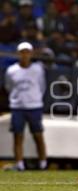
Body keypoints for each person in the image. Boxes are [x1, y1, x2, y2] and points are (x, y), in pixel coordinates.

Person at [4, 42, 47, 171]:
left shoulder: (38, 69)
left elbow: (42, 86)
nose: (25, 55)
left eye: (27, 52)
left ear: (31, 53)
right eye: (22, 52)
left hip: (35, 107)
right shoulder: (11, 70)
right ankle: (20, 164)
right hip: (17, 107)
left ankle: (43, 163)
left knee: (38, 135)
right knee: (18, 136)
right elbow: (9, 87)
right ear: (18, 54)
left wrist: (34, 99)